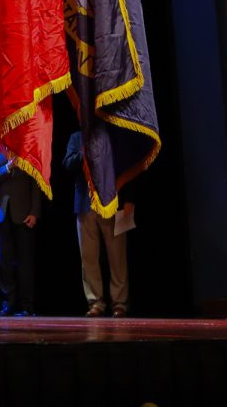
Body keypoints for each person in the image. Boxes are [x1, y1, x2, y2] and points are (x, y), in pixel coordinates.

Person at [63, 130, 129, 318]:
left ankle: (120, 303)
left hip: (113, 203)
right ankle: (95, 302)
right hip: (85, 204)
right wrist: (84, 153)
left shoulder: (113, 133)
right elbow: (67, 163)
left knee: (117, 256)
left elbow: (126, 166)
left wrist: (129, 199)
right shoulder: (76, 137)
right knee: (89, 257)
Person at [0, 144, 42, 316]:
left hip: (23, 212)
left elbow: (35, 182)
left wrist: (35, 212)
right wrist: (7, 167)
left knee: (25, 260)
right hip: (1, 214)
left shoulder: (27, 149)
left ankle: (27, 304)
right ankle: (8, 302)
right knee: (4, 261)